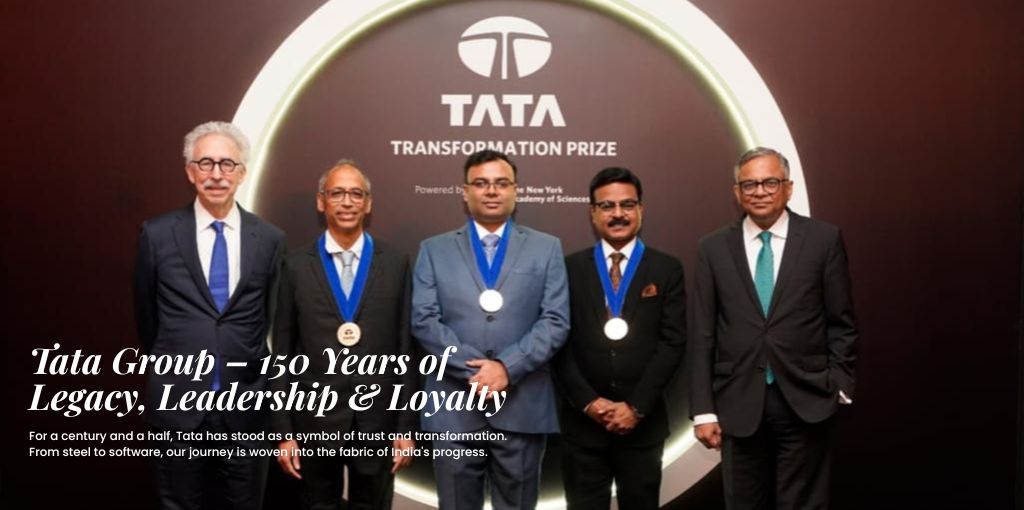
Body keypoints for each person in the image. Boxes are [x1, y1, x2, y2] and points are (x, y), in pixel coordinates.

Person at [689, 147, 858, 510]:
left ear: (788, 187)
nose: (760, 191)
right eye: (749, 184)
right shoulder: (713, 247)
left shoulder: (823, 240)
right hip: (737, 402)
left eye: (770, 182)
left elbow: (841, 321)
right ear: (737, 193)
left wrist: (839, 384)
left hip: (806, 398)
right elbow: (702, 333)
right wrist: (703, 410)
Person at [134, 121, 285, 510]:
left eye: (227, 164)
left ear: (242, 172)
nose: (216, 174)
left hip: (246, 406)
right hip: (177, 405)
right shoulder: (157, 234)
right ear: (190, 171)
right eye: (206, 163)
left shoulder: (269, 239)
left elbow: (268, 317)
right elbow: (147, 319)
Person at [411, 149, 570, 510]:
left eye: (501, 183)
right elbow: (424, 320)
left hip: (522, 406)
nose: (492, 191)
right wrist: (478, 372)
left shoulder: (546, 248)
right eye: (481, 183)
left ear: (516, 191)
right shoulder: (433, 250)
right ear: (465, 192)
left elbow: (555, 320)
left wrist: (506, 368)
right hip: (454, 407)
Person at [271, 160, 417, 510]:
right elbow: (282, 353)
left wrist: (405, 426)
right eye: (337, 193)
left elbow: (407, 349)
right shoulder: (295, 265)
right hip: (314, 421)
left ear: (369, 203)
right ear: (321, 201)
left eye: (356, 194)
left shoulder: (395, 263)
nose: (347, 202)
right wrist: (283, 432)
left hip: (378, 420)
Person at [555, 167, 685, 510]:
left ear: (641, 209)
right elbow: (558, 342)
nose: (618, 214)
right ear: (592, 212)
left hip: (642, 426)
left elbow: (672, 343)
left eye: (627, 205)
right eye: (607, 206)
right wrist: (589, 402)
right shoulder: (568, 269)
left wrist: (635, 407)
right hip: (583, 427)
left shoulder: (666, 269)